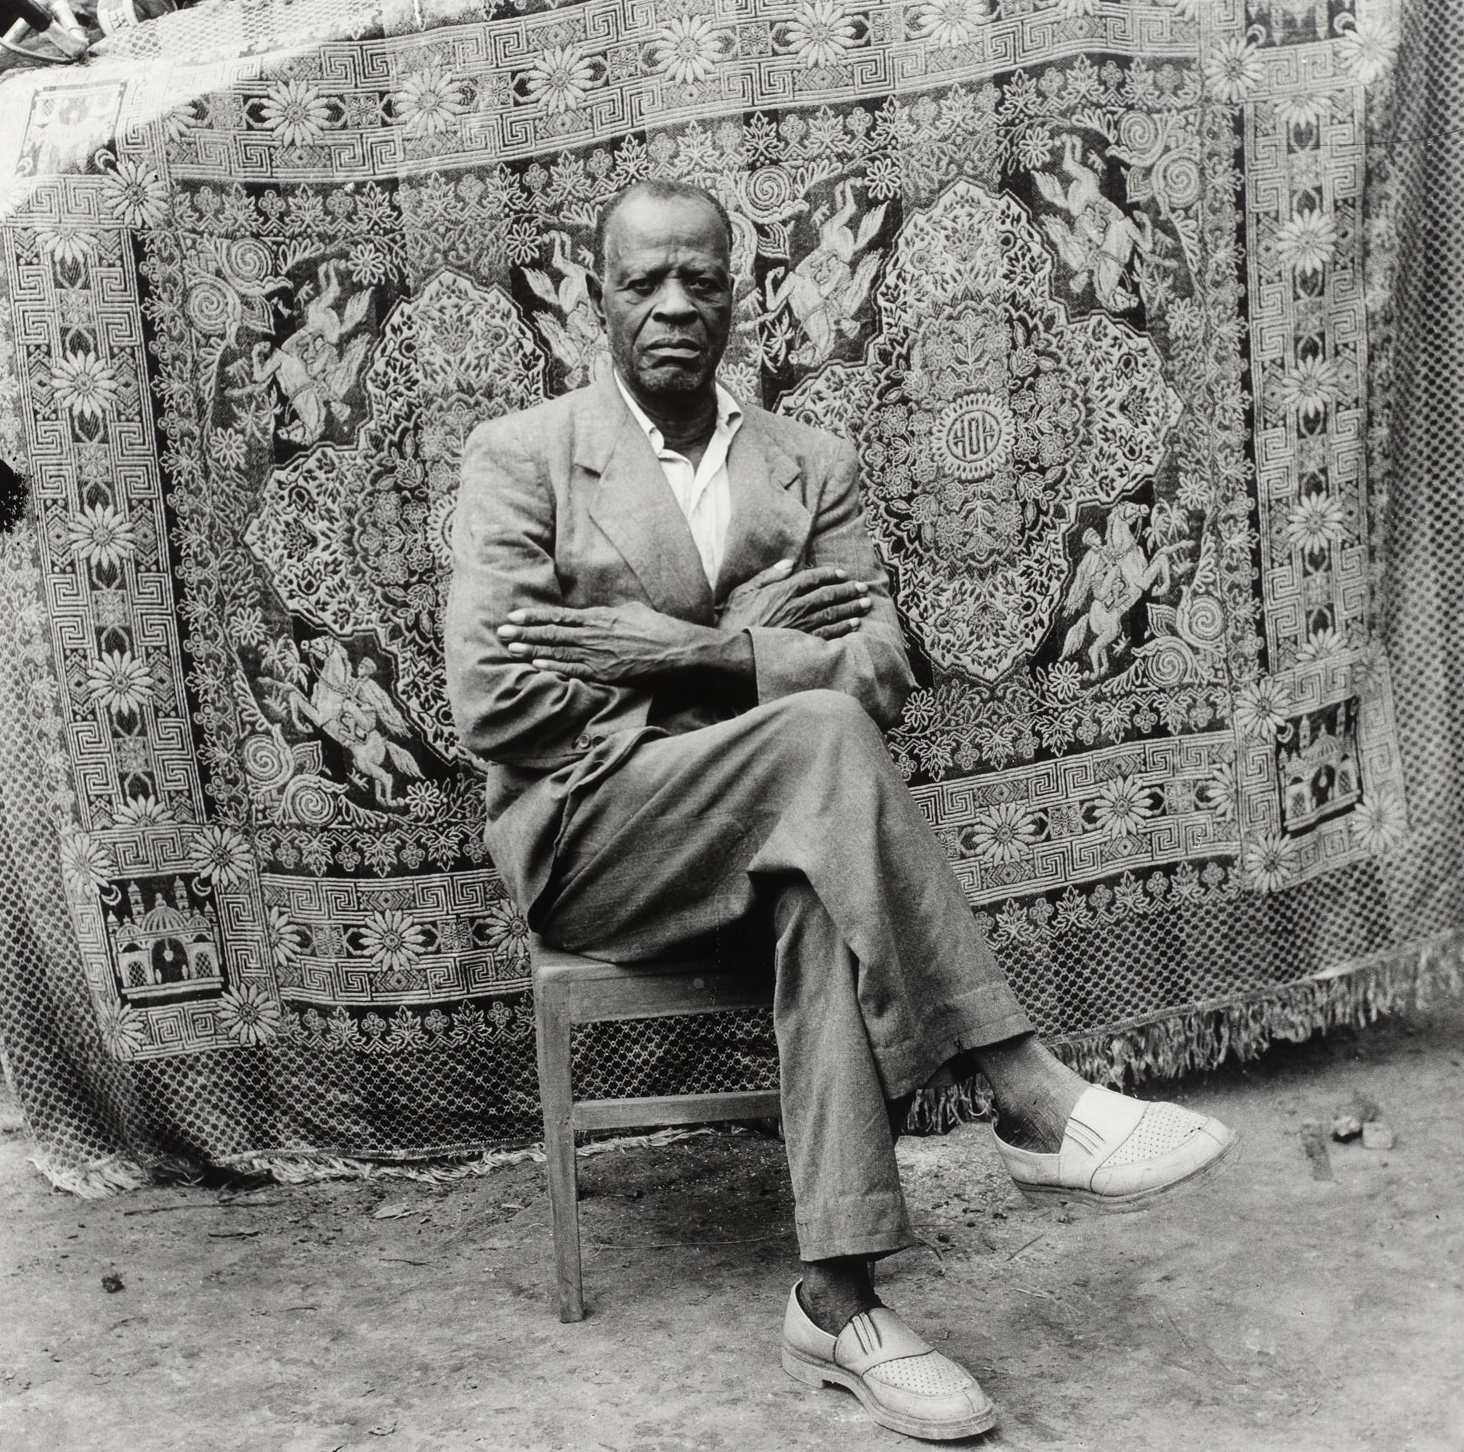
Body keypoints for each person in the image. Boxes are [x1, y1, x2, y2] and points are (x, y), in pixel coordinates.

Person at [444, 179, 1236, 1442]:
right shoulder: (523, 456)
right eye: (643, 280)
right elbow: (495, 697)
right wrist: (748, 646)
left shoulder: (812, 469)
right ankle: (1026, 1092)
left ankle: (840, 1302)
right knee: (813, 742)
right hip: (599, 837)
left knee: (820, 862)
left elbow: (880, 675)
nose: (672, 304)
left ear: (739, 296)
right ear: (596, 296)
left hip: (774, 823)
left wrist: (664, 652)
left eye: (701, 279)